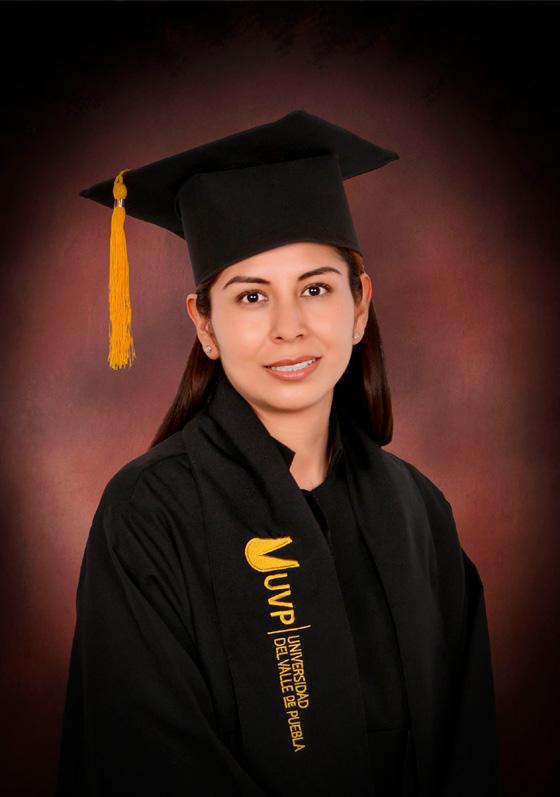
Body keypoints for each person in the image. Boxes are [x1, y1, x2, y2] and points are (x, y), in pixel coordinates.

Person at [56, 110, 500, 796]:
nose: (288, 327)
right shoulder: (148, 517)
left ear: (359, 306)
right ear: (205, 324)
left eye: (315, 289)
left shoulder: (420, 513)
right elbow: (150, 766)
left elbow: (467, 751)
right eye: (252, 296)